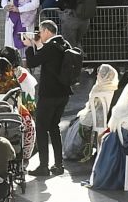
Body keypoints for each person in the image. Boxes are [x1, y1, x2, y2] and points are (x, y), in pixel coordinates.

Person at [29, 20, 81, 176]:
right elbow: (48, 59)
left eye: (40, 31)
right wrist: (38, 45)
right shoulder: (64, 44)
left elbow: (32, 62)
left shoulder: (50, 47)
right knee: (54, 127)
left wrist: (29, 46)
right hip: (63, 94)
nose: (39, 34)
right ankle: (58, 165)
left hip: (49, 95)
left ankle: (43, 166)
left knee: (41, 128)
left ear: (46, 31)